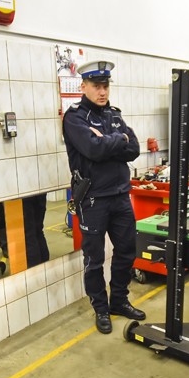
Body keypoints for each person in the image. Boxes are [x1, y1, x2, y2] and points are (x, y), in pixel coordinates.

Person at [62, 60, 145, 334]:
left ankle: (119, 300)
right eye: (96, 86)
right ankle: (100, 307)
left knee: (126, 251)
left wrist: (111, 139)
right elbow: (92, 149)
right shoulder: (75, 118)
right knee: (94, 259)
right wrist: (116, 140)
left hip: (120, 196)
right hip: (93, 200)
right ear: (83, 86)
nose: (102, 91)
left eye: (105, 85)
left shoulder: (114, 115)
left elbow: (133, 148)